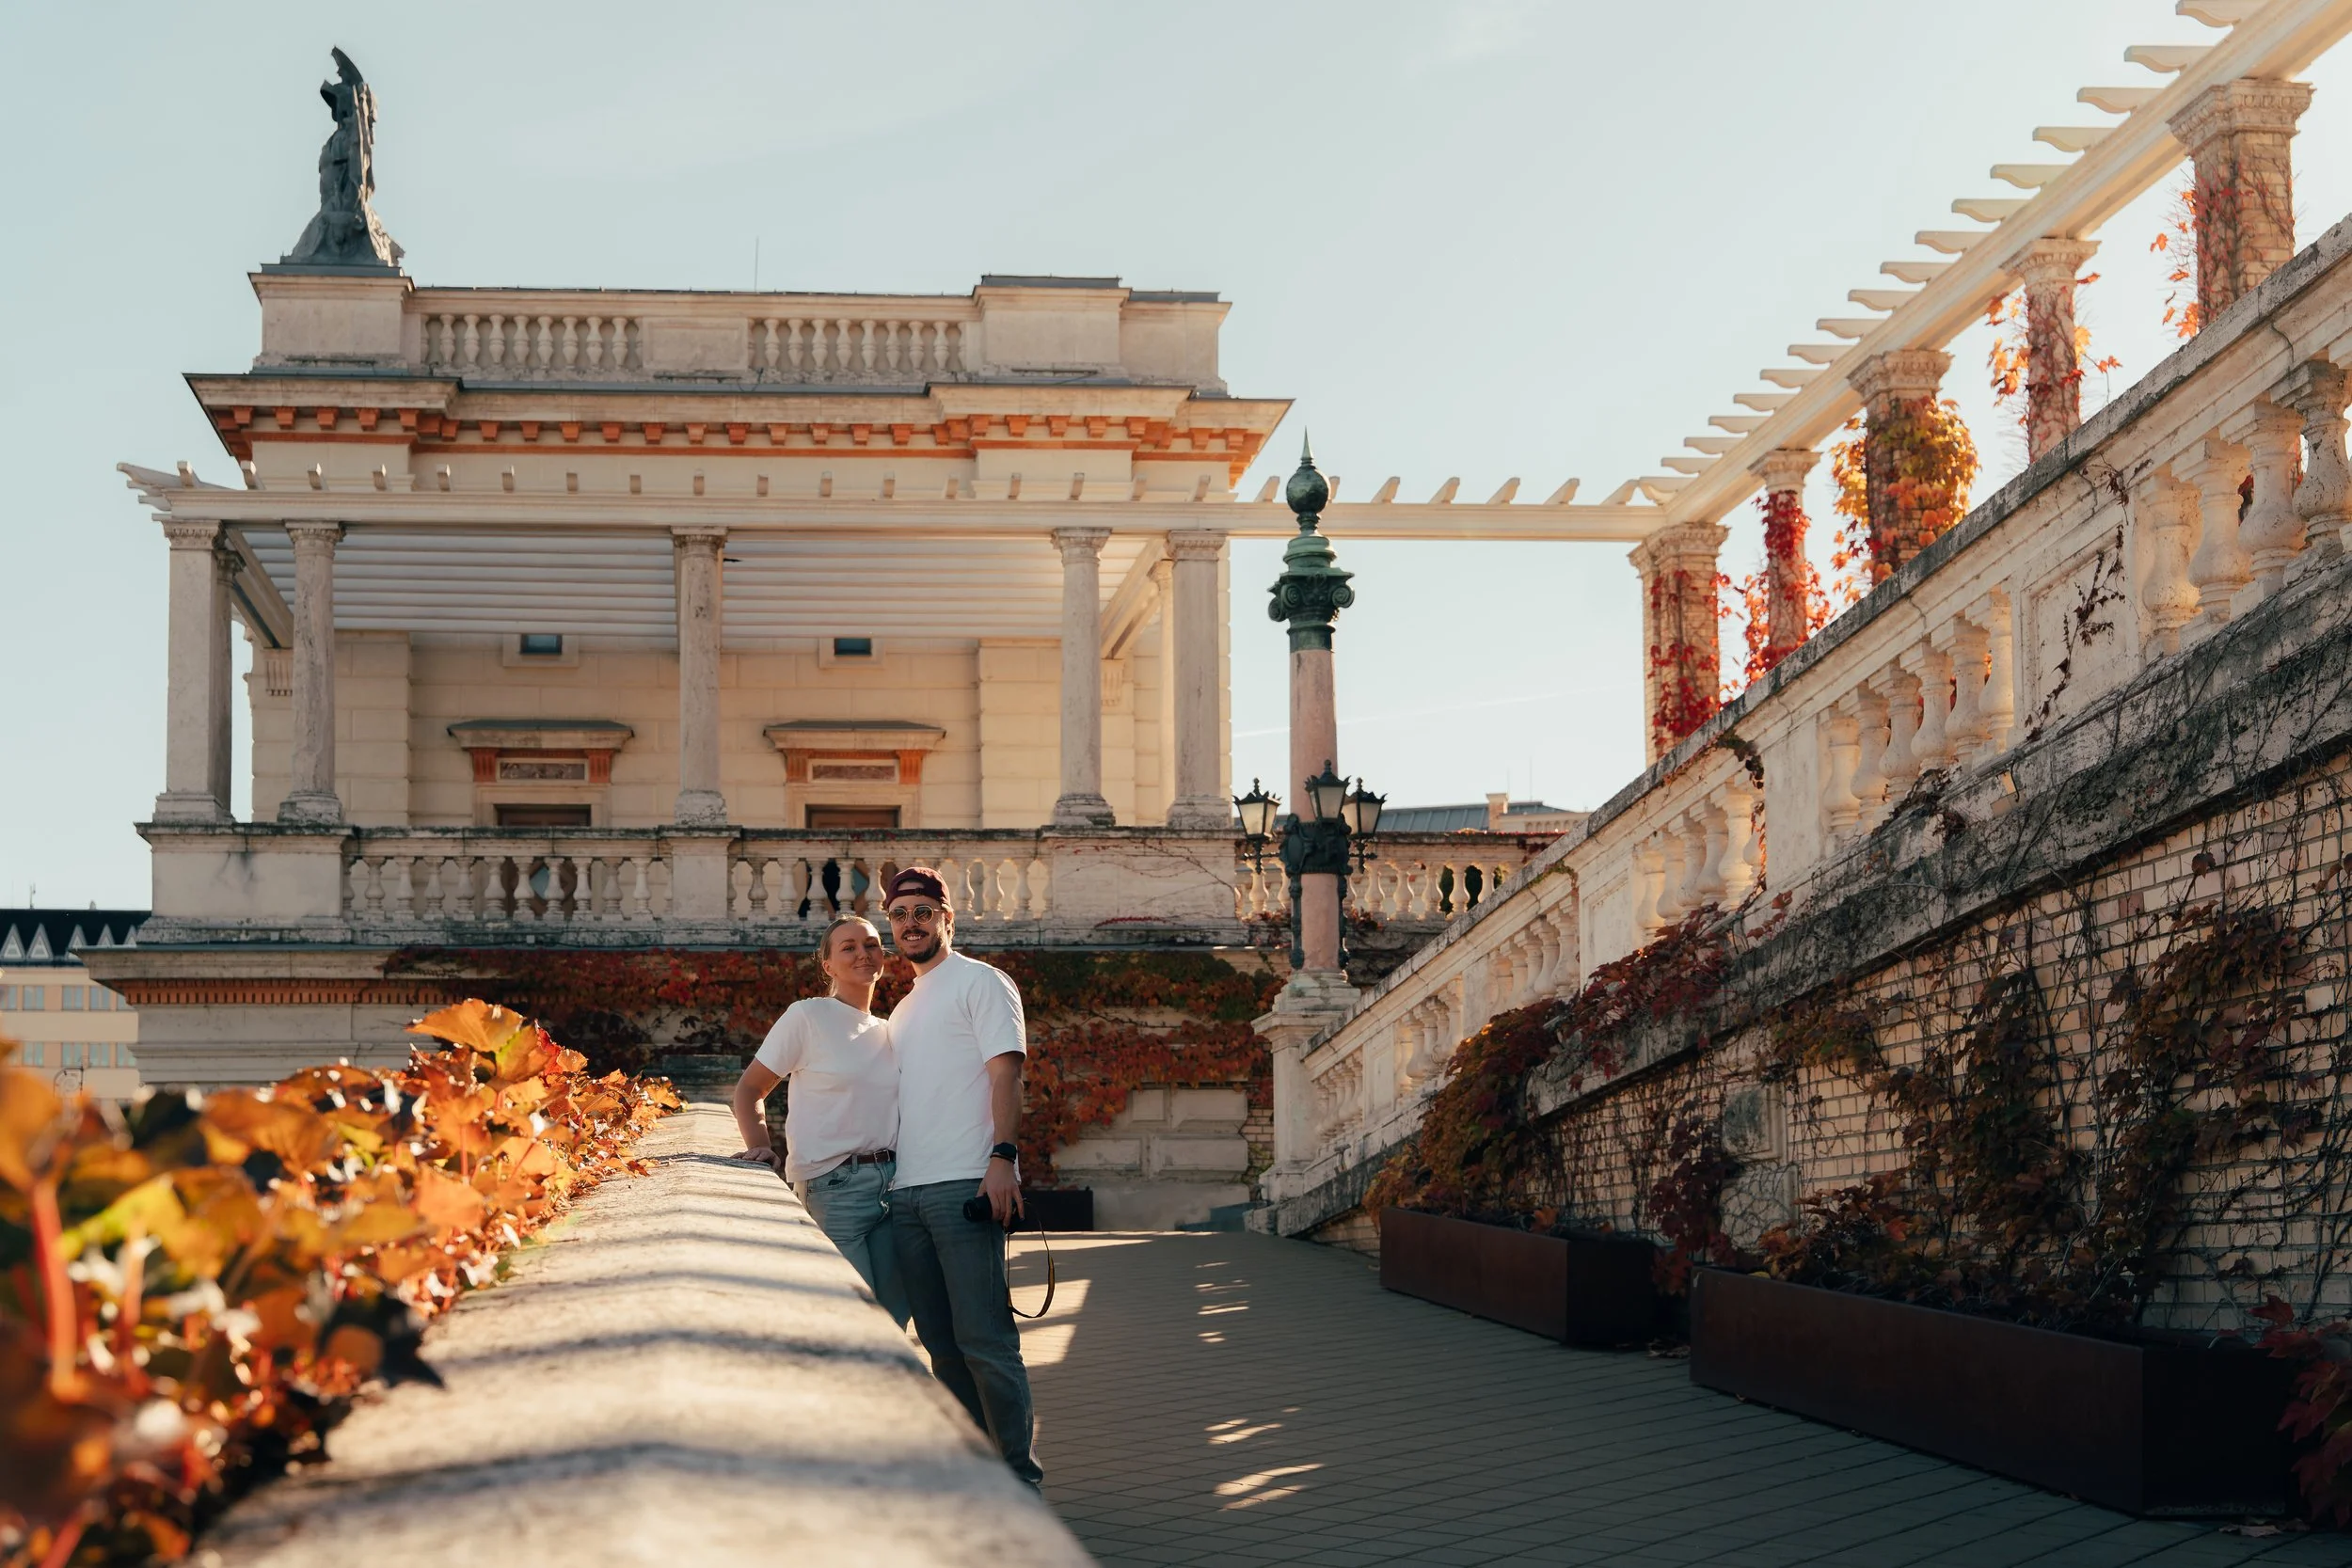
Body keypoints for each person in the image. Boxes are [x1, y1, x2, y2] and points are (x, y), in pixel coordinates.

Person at [882, 865, 1041, 1489]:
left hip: (965, 1186)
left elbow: (1007, 1073)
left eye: (923, 911)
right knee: (942, 1349)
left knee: (986, 1341)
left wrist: (1002, 1159)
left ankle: (1019, 1477)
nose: (911, 923)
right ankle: (979, 1477)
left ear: (948, 918)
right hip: (907, 1192)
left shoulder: (982, 982)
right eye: (900, 914)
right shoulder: (901, 1008)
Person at [729, 913, 909, 1326]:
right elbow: (748, 1090)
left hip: (894, 1185)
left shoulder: (889, 1029)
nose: (863, 954)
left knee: (894, 1321)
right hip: (833, 1187)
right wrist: (762, 1147)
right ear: (827, 965)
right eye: (848, 947)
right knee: (852, 1322)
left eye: (870, 945)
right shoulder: (808, 1016)